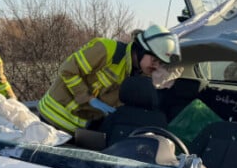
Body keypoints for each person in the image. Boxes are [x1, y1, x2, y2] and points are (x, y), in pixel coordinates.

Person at [38, 25, 180, 133]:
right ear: (142, 50)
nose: (156, 66)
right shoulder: (107, 50)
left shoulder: (137, 77)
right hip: (51, 119)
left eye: (160, 63)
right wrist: (88, 98)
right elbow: (68, 71)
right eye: (154, 60)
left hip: (77, 132)